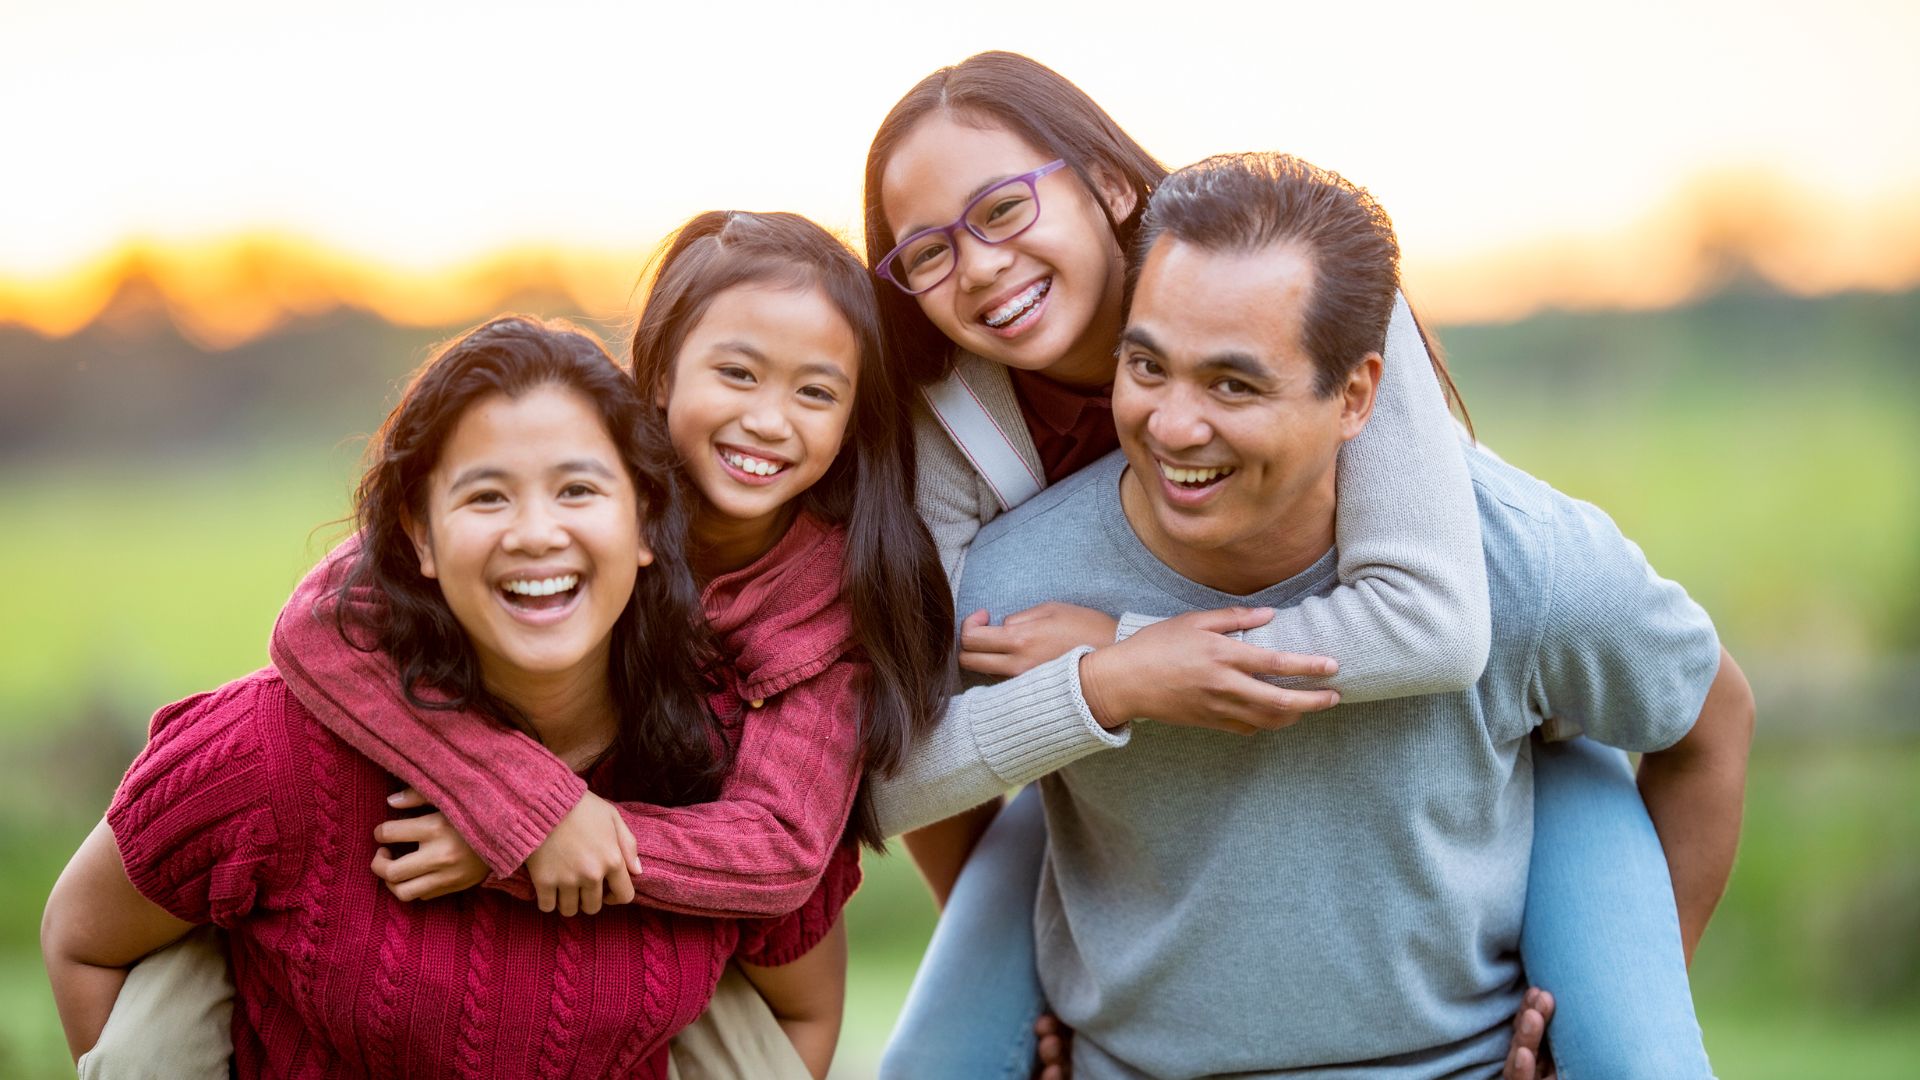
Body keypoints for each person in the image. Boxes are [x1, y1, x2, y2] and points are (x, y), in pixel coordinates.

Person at [861, 52, 1735, 1079]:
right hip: (1112, 791)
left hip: (1481, 735)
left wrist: (1129, 647)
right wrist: (1059, 961)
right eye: (925, 251)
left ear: (1105, 185)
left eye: (1002, 210)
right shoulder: (955, 428)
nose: (976, 265)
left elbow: (1442, 626)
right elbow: (915, 735)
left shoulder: (1294, 275)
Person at [41, 315, 862, 1078]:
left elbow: (799, 1022)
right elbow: (82, 943)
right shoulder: (273, 752)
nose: (536, 533)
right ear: (420, 536)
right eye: (487, 496)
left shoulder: (720, 768)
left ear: (649, 522)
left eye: (577, 491)